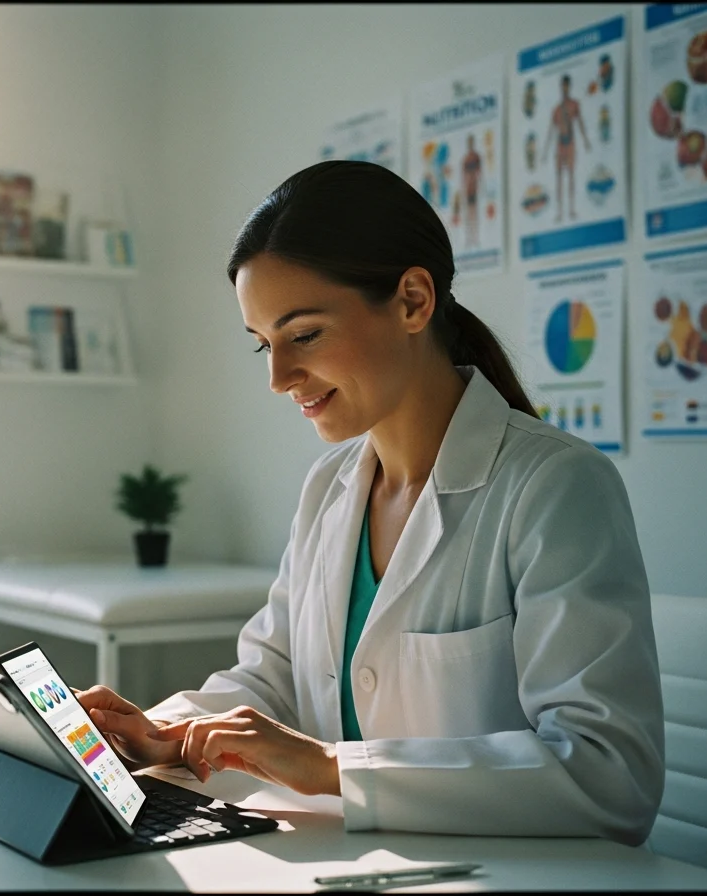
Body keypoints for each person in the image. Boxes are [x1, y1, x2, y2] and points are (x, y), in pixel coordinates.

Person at [77, 160, 664, 846]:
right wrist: (165, 732)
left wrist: (331, 767)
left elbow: (611, 776)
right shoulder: (331, 487)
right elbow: (275, 681)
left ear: (414, 300)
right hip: (356, 861)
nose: (277, 377)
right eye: (264, 344)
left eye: (304, 335)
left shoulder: (554, 485)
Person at [541, 73, 591, 222]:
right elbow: (551, 130)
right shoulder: (556, 109)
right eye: (562, 85)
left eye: (566, 85)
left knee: (570, 176)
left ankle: (571, 209)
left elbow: (580, 122)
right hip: (559, 143)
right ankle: (559, 212)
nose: (564, 88)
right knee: (559, 178)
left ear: (569, 86)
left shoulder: (574, 105)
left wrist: (586, 140)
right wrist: (545, 151)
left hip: (570, 142)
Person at [460, 134, 483, 249]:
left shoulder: (476, 157)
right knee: (468, 214)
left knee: (474, 213)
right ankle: (469, 238)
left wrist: (481, 186)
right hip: (468, 189)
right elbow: (463, 175)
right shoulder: (466, 158)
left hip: (474, 188)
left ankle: (475, 237)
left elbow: (480, 173)